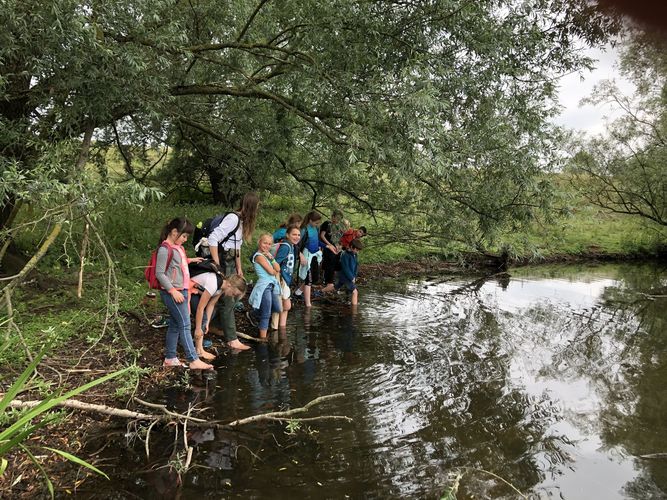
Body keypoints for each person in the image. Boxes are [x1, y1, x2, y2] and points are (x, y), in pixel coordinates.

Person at [155, 218, 213, 369]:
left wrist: (190, 260)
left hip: (184, 290)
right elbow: (160, 274)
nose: (186, 239)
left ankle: (170, 358)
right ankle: (193, 359)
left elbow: (177, 263)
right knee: (185, 325)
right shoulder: (164, 249)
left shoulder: (177, 247)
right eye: (184, 236)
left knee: (175, 325)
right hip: (174, 293)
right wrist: (173, 291)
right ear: (174, 232)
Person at [208, 192, 259, 351]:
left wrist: (239, 269)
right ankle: (232, 339)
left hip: (230, 264)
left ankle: (216, 326)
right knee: (228, 300)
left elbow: (236, 247)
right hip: (222, 263)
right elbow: (213, 238)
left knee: (229, 297)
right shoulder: (233, 219)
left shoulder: (241, 222)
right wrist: (216, 264)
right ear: (251, 207)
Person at [190, 273, 247, 361]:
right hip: (189, 290)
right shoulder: (213, 284)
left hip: (197, 292)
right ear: (230, 285)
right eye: (233, 293)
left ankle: (199, 346)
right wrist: (198, 328)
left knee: (207, 318)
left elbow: (211, 304)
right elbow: (200, 308)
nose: (232, 296)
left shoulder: (222, 288)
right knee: (203, 317)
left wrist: (207, 323)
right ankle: (199, 350)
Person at [248, 234, 282, 340]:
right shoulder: (258, 256)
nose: (267, 246)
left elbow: (278, 269)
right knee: (266, 314)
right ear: (259, 242)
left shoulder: (267, 256)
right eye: (264, 243)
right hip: (264, 286)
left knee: (277, 308)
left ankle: (253, 314)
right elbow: (272, 272)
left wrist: (272, 260)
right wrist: (274, 269)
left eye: (269, 244)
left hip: (272, 285)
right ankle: (263, 338)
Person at [272, 224, 301, 328]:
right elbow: (276, 263)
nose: (297, 237)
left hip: (286, 279)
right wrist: (278, 279)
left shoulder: (292, 246)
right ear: (287, 235)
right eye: (294, 234)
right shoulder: (286, 246)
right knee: (286, 306)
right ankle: (278, 328)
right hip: (281, 279)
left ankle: (281, 327)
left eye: (298, 235)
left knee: (285, 306)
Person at [296, 211, 323, 308]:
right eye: (316, 223)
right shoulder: (304, 230)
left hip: (315, 255)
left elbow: (317, 241)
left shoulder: (316, 228)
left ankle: (298, 293)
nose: (318, 224)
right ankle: (308, 304)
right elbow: (297, 244)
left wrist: (327, 246)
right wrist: (300, 255)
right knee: (309, 280)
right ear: (311, 220)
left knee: (314, 278)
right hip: (306, 255)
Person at [319, 209, 343, 293]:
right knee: (329, 263)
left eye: (339, 219)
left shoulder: (338, 226)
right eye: (336, 218)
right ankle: (328, 282)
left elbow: (339, 238)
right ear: (333, 217)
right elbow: (322, 236)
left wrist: (339, 246)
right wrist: (329, 245)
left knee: (336, 263)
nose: (337, 220)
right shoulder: (327, 224)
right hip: (328, 247)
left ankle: (333, 283)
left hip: (336, 247)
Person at [335, 238, 363, 305]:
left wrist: (354, 276)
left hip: (350, 277)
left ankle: (321, 291)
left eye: (358, 250)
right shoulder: (345, 255)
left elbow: (356, 266)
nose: (357, 251)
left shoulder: (355, 255)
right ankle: (354, 311)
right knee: (355, 292)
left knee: (335, 287)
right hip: (344, 276)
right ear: (351, 247)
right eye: (356, 250)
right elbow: (345, 268)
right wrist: (351, 277)